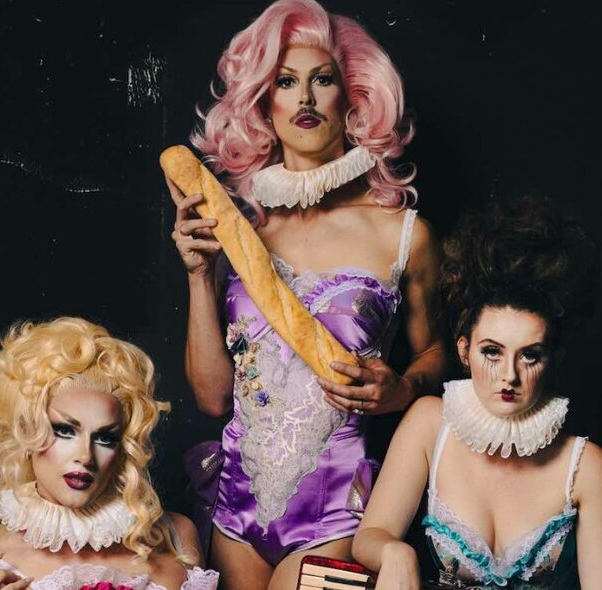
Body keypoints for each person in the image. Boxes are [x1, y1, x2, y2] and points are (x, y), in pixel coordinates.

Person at [166, 0, 446, 587]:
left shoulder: (403, 235)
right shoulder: (234, 229)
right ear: (264, 102)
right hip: (234, 515)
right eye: (285, 82)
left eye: (323, 80)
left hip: (336, 515)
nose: (306, 99)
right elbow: (213, 399)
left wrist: (402, 387)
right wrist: (197, 275)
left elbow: (440, 356)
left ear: (354, 99)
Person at [352, 197, 602, 589]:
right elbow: (371, 536)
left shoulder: (585, 467)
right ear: (464, 350)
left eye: (529, 356)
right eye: (492, 352)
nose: (508, 376)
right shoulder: (430, 423)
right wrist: (396, 552)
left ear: (553, 359)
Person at [0, 317, 219, 590]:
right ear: (27, 432)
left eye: (104, 437)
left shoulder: (177, 537)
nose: (86, 457)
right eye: (64, 431)